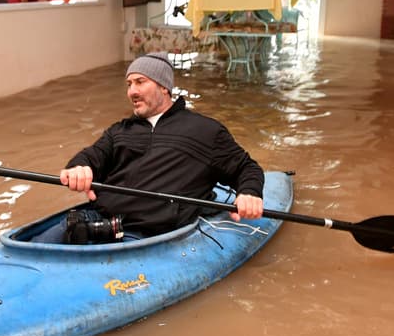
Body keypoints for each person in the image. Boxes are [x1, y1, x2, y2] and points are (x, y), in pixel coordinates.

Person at [58, 53, 265, 238]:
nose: (132, 91)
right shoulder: (119, 130)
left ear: (164, 87)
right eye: (129, 84)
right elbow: (92, 156)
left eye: (140, 82)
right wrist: (79, 167)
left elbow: (246, 168)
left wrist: (249, 192)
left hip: (146, 236)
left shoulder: (206, 131)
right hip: (97, 219)